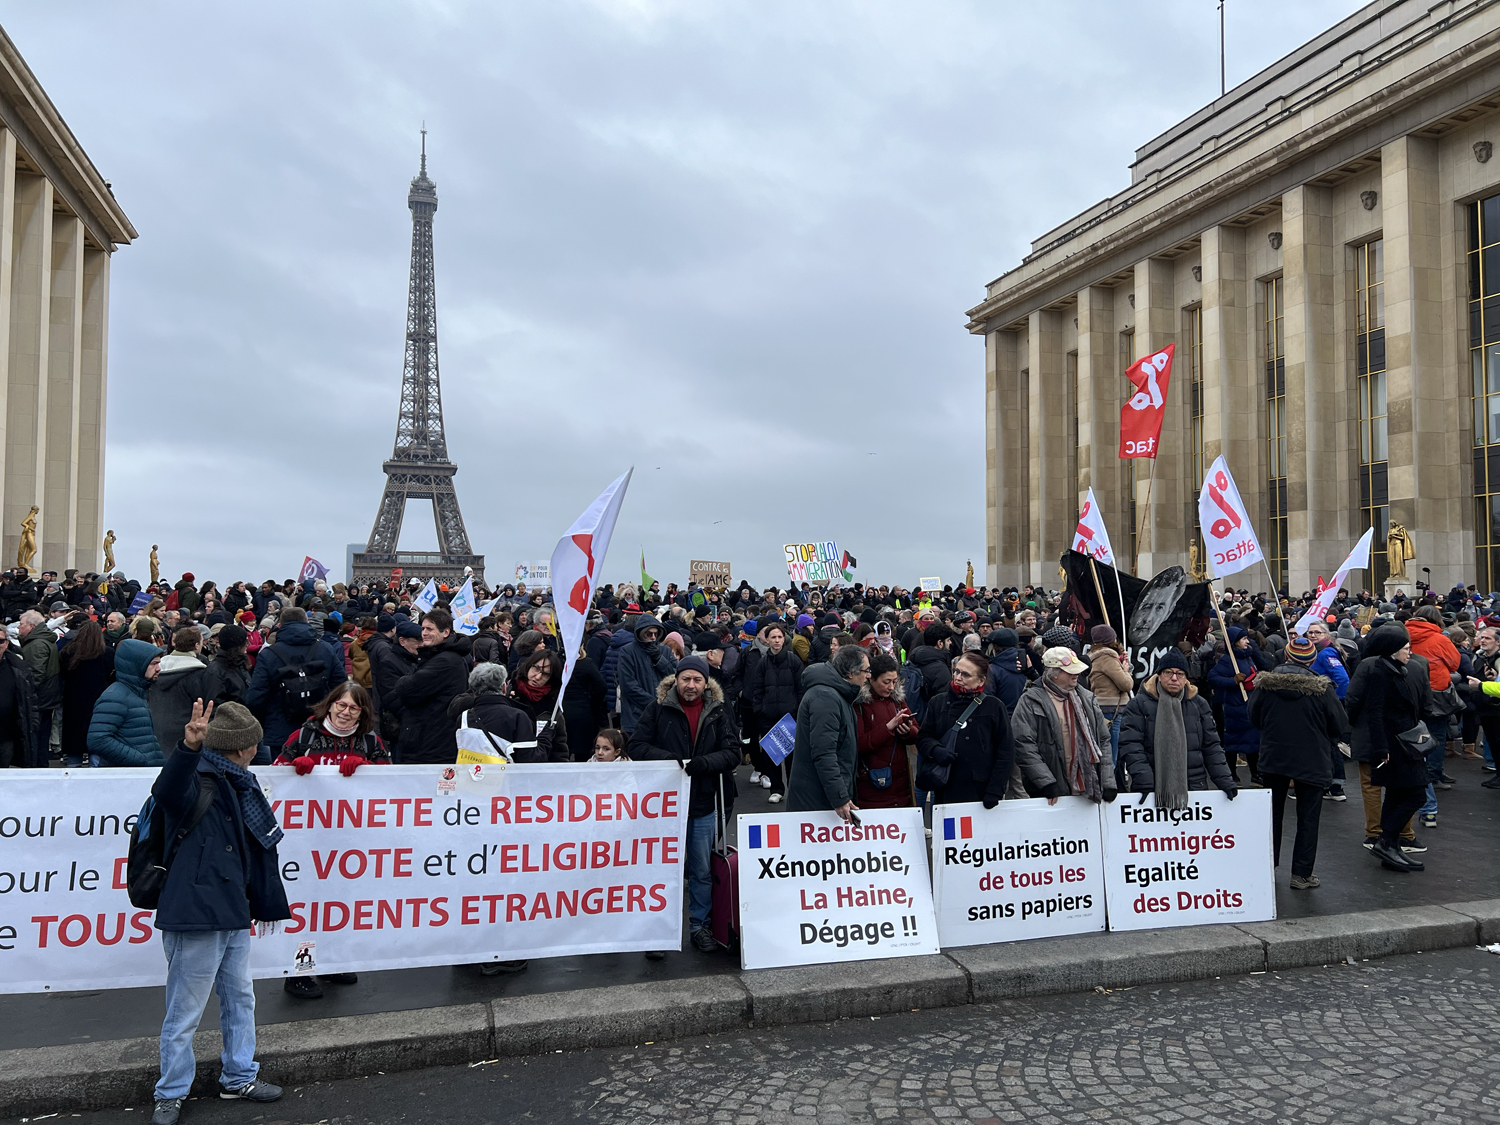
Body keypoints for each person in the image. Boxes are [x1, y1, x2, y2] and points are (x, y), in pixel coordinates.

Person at [150, 701, 287, 1125]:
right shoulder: (200, 777)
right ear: (243, 747)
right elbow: (167, 791)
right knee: (185, 1009)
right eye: (254, 743)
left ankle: (239, 1075)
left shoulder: (239, 782)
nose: (258, 749)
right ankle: (170, 1092)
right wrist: (188, 747)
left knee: (239, 998)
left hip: (232, 909)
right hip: (197, 911)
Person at [273, 682, 388, 998]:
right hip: (307, 843)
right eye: (341, 705)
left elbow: (392, 783)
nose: (345, 712)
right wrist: (293, 769)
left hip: (349, 842)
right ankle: (299, 970)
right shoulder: (304, 738)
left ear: (362, 713)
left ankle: (331, 961)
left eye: (353, 708)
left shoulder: (369, 741)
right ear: (330, 704)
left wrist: (368, 769)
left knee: (338, 905)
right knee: (307, 907)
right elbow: (273, 779)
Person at [628, 654, 740, 951]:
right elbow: (636, 746)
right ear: (675, 679)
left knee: (701, 870)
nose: (691, 685)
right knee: (662, 870)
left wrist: (704, 763)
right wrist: (669, 761)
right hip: (664, 806)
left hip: (703, 801)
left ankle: (699, 925)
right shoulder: (658, 708)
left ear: (706, 683)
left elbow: (733, 752)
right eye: (685, 678)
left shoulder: (717, 710)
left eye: (697, 680)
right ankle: (659, 930)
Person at [1248, 635, 1350, 890]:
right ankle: (1301, 874)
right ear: (1312, 660)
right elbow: (1338, 724)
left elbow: (1253, 716)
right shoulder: (1322, 689)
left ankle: (1265, 867)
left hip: (1274, 758)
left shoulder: (1265, 685)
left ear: (1286, 656)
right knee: (1308, 818)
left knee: (1272, 816)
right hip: (1312, 759)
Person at [1345, 625, 1428, 872]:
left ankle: (1390, 845)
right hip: (1393, 745)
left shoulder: (1398, 668)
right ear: (1392, 650)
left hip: (1404, 741)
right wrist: (1381, 748)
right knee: (1416, 794)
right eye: (1405, 648)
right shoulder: (1381, 672)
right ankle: (1386, 841)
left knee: (1396, 795)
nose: (1409, 652)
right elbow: (1375, 711)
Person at [1118, 649, 1236, 805]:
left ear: (1186, 678)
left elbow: (1211, 746)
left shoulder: (1199, 704)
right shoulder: (1138, 704)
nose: (1174, 678)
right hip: (1151, 788)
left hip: (1194, 788)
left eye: (1180, 674)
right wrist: (1144, 780)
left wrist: (1225, 781)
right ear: (1159, 675)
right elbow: (1131, 745)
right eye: (1168, 672)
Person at [1009, 647, 1116, 803]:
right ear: (1055, 674)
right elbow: (1023, 743)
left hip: (1089, 791)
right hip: (1050, 794)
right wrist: (1046, 782)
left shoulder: (1086, 698)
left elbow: (1103, 740)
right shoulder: (1030, 700)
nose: (1077, 674)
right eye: (1070, 671)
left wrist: (1107, 782)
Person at [245, 607, 346, 764]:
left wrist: (263, 723)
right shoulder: (325, 648)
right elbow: (342, 686)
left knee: (284, 780)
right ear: (306, 622)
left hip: (280, 727)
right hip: (320, 725)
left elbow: (256, 696)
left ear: (280, 625)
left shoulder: (268, 654)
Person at [916, 651, 1015, 807]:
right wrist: (935, 750)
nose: (958, 677)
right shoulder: (938, 702)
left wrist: (995, 789)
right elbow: (923, 737)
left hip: (980, 790)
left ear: (981, 680)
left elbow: (1005, 750)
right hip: (946, 786)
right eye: (956, 671)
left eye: (966, 675)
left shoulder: (994, 706)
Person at [786, 645, 869, 818]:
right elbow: (824, 753)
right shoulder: (826, 697)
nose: (868, 675)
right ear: (852, 672)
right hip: (816, 800)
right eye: (866, 670)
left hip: (823, 794)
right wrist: (839, 797)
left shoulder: (836, 694)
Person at [385, 607, 470, 764]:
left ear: (445, 632)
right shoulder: (444, 657)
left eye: (430, 629)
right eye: (423, 628)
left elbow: (409, 689)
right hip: (432, 738)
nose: (424, 633)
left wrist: (403, 681)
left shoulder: (444, 661)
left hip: (431, 740)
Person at [745, 619, 804, 803]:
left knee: (792, 759)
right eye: (773, 637)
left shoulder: (794, 661)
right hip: (768, 717)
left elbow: (800, 688)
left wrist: (797, 711)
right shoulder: (762, 664)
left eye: (779, 637)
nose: (777, 640)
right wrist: (760, 711)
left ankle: (794, 790)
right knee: (772, 756)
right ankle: (777, 790)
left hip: (790, 716)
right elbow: (757, 689)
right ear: (767, 640)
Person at [1208, 626, 1274, 786]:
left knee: (1253, 742)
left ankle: (1255, 774)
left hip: (1250, 705)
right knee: (1233, 742)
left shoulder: (1247, 656)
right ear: (1235, 642)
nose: (1247, 641)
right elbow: (1212, 677)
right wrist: (1233, 681)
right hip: (1235, 707)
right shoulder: (1228, 660)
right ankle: (1231, 774)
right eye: (1244, 639)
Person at [88, 639, 166, 766]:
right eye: (154, 664)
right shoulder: (115, 697)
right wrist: (140, 760)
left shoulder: (138, 694)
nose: (158, 668)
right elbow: (98, 740)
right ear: (137, 664)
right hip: (126, 778)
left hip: (142, 776)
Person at [853, 651, 916, 808]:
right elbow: (858, 744)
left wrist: (908, 731)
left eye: (895, 682)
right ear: (871, 679)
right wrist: (888, 728)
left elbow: (916, 731)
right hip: (870, 782)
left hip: (901, 783)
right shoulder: (859, 704)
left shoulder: (897, 700)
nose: (891, 687)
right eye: (886, 682)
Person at [447, 662, 540, 759]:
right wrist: (545, 738)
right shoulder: (518, 716)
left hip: (471, 771)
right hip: (505, 773)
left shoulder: (464, 717)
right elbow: (529, 758)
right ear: (504, 687)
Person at [1303, 620, 1351, 800]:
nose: (1313, 635)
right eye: (1310, 632)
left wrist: (1333, 700)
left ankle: (1335, 787)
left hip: (1326, 706)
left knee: (1331, 745)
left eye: (1317, 632)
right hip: (1325, 705)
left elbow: (1343, 680)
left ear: (1326, 634)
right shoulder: (1320, 652)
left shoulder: (1326, 653)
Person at [59, 620, 112, 768]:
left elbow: (63, 675)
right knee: (96, 740)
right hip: (99, 701)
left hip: (73, 700)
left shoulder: (68, 652)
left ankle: (72, 770)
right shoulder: (107, 653)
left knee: (74, 742)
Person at [149, 627, 209, 756]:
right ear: (196, 645)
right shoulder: (199, 673)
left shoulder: (156, 669)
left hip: (155, 727)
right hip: (186, 731)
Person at [506, 648, 570, 761]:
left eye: (545, 674)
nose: (538, 677)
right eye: (536, 668)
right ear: (529, 665)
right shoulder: (509, 693)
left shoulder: (552, 708)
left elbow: (559, 748)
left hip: (540, 768)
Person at [617, 616, 678, 734]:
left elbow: (675, 676)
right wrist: (654, 703)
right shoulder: (628, 651)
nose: (653, 637)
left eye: (656, 634)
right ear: (640, 633)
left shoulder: (665, 650)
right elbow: (628, 685)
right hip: (636, 716)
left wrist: (659, 659)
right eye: (649, 634)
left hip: (663, 714)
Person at [1085, 625, 1132, 778]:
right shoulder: (1107, 658)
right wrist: (1125, 670)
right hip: (1113, 710)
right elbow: (1126, 684)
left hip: (1101, 706)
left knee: (1104, 749)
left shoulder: (1094, 656)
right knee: (1111, 754)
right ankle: (1108, 785)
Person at [17, 608, 61, 762]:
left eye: (21, 624)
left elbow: (35, 674)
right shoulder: (41, 640)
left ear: (31, 626)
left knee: (37, 736)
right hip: (46, 698)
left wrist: (24, 694)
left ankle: (36, 766)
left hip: (39, 699)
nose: (18, 627)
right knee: (43, 735)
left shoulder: (36, 644)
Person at [562, 643, 609, 761]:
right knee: (583, 751)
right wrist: (593, 703)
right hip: (583, 710)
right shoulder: (586, 663)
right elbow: (602, 686)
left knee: (562, 749)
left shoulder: (558, 662)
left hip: (562, 709)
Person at [0, 628, 39, 767]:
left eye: (0, 641)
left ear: (6, 643)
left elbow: (30, 698)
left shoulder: (19, 667)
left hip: (7, 736)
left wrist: (33, 722)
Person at [201, 624, 252, 708]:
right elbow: (214, 706)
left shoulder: (240, 663)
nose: (248, 644)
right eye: (245, 641)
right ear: (237, 645)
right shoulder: (215, 672)